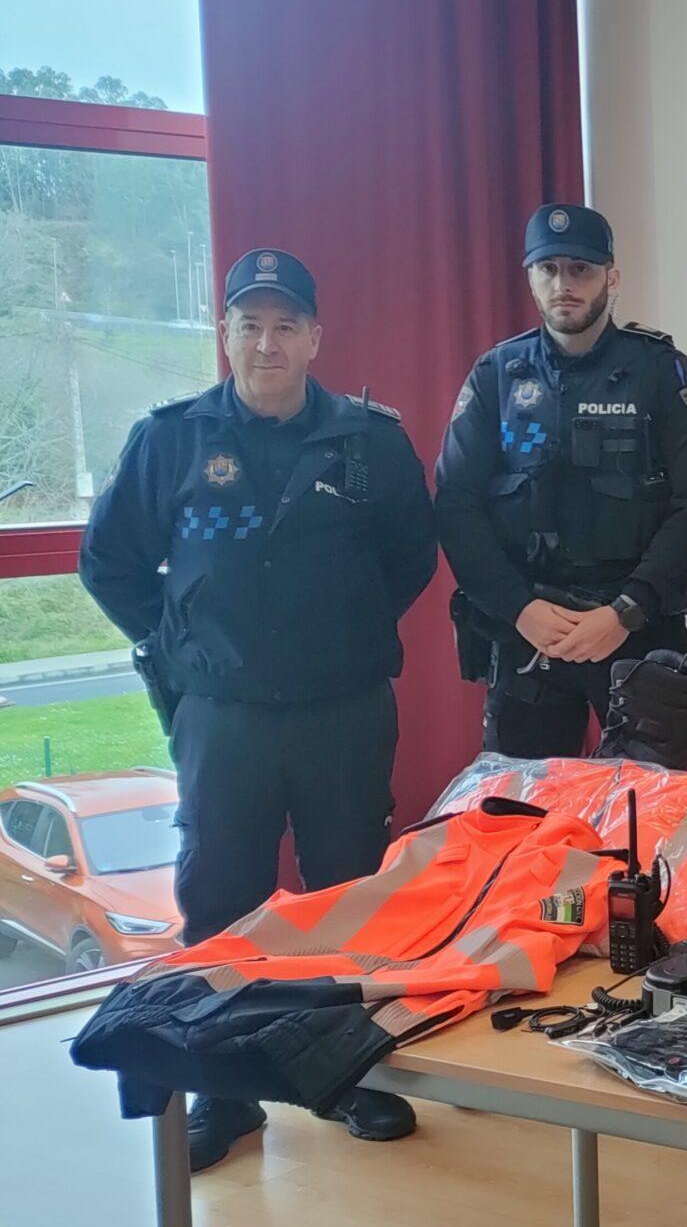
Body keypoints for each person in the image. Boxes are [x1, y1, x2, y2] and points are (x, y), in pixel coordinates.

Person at [78, 247, 437, 1171]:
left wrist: (340, 634)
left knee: (346, 895)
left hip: (342, 710)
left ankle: (348, 1076)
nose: (267, 343)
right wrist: (179, 639)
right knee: (220, 900)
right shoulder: (172, 439)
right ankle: (226, 1096)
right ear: (226, 333)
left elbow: (410, 558)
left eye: (286, 326)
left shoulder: (371, 440)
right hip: (222, 715)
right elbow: (108, 560)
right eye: (250, 324)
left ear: (315, 338)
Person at [434, 204, 687, 757]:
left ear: (611, 279)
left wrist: (627, 610)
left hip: (637, 631)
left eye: (581, 270)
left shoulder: (661, 372)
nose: (563, 284)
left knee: (669, 819)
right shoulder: (497, 375)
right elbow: (457, 504)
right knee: (519, 822)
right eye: (549, 269)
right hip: (528, 634)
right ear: (531, 278)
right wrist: (518, 608)